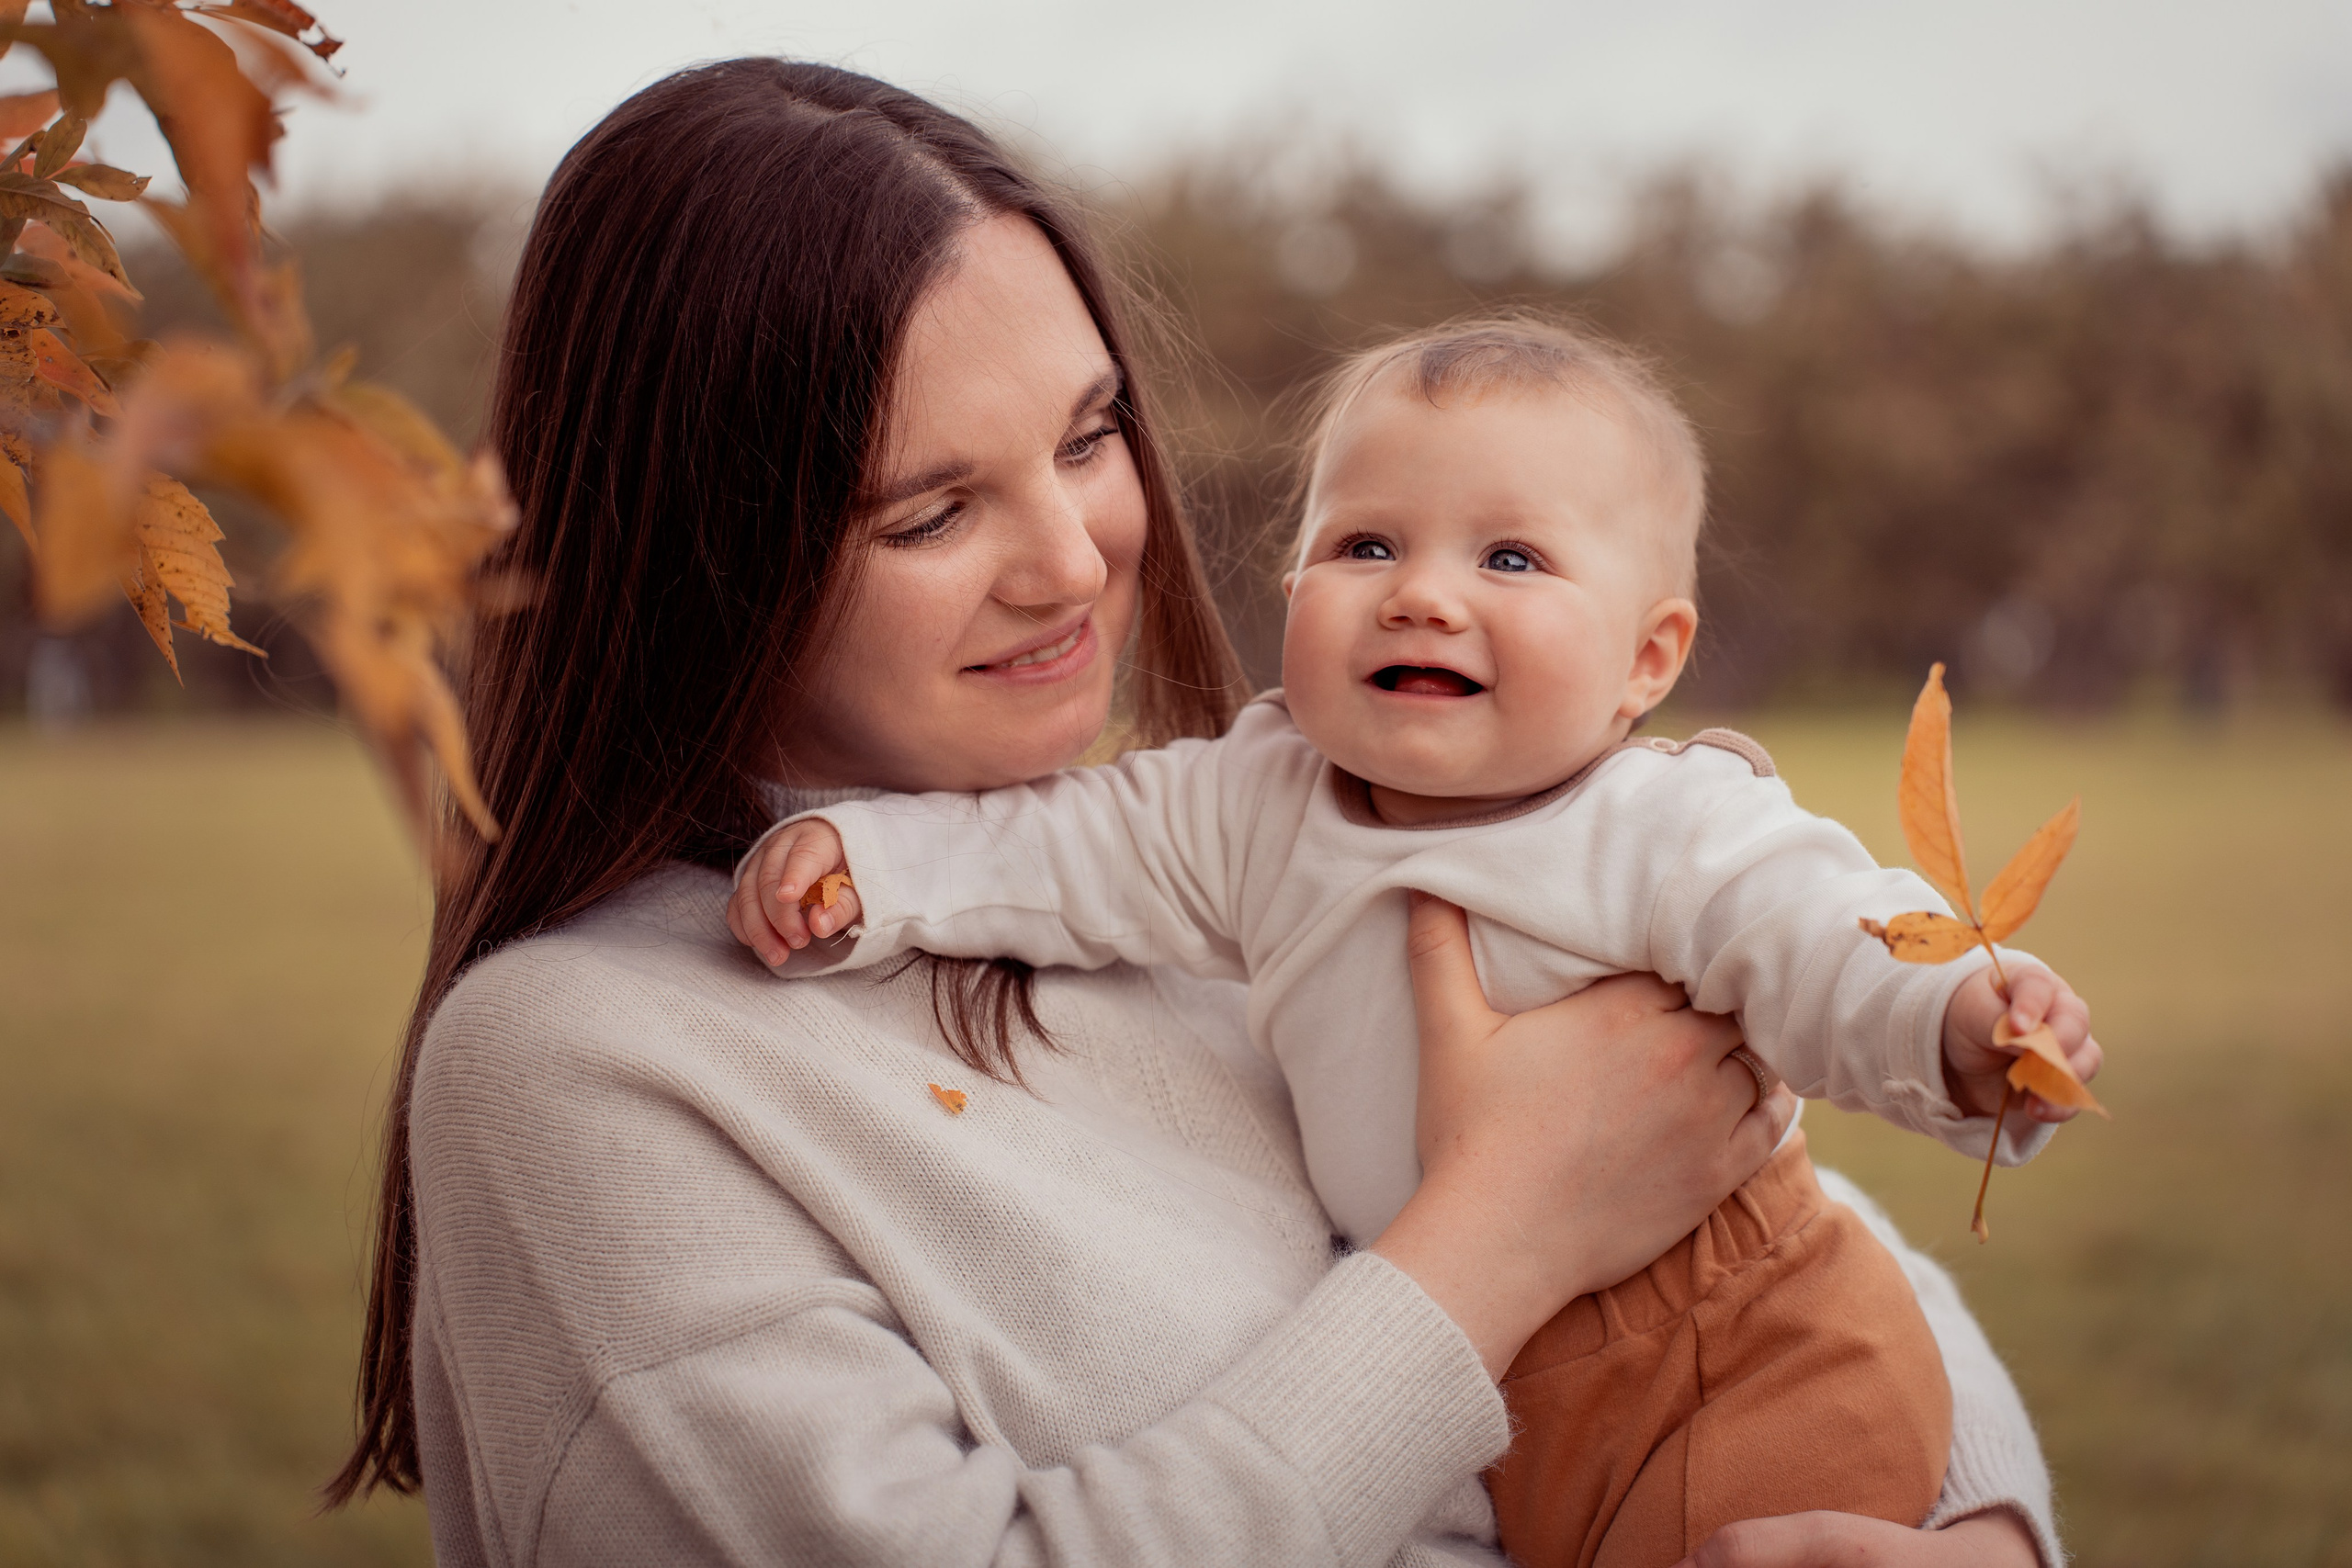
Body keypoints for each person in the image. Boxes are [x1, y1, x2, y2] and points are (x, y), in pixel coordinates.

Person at [329, 58, 2063, 1568]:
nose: (1079, 558)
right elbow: (1584, 1179)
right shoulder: (579, 1063)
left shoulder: (1216, 852)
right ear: (692, 558)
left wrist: (1975, 1526)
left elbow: (1775, 1206)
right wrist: (1504, 1228)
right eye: (932, 512)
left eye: (1089, 440)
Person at [729, 315, 2102, 1565]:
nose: (1421, 595)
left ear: (1647, 660)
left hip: (1743, 1338)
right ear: (1295, 579)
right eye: (1366, 545)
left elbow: (1824, 936)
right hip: (1497, 1395)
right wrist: (873, 865)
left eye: (1509, 559)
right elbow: (1057, 847)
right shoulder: (1252, 803)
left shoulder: (1665, 823)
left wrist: (1961, 1028)